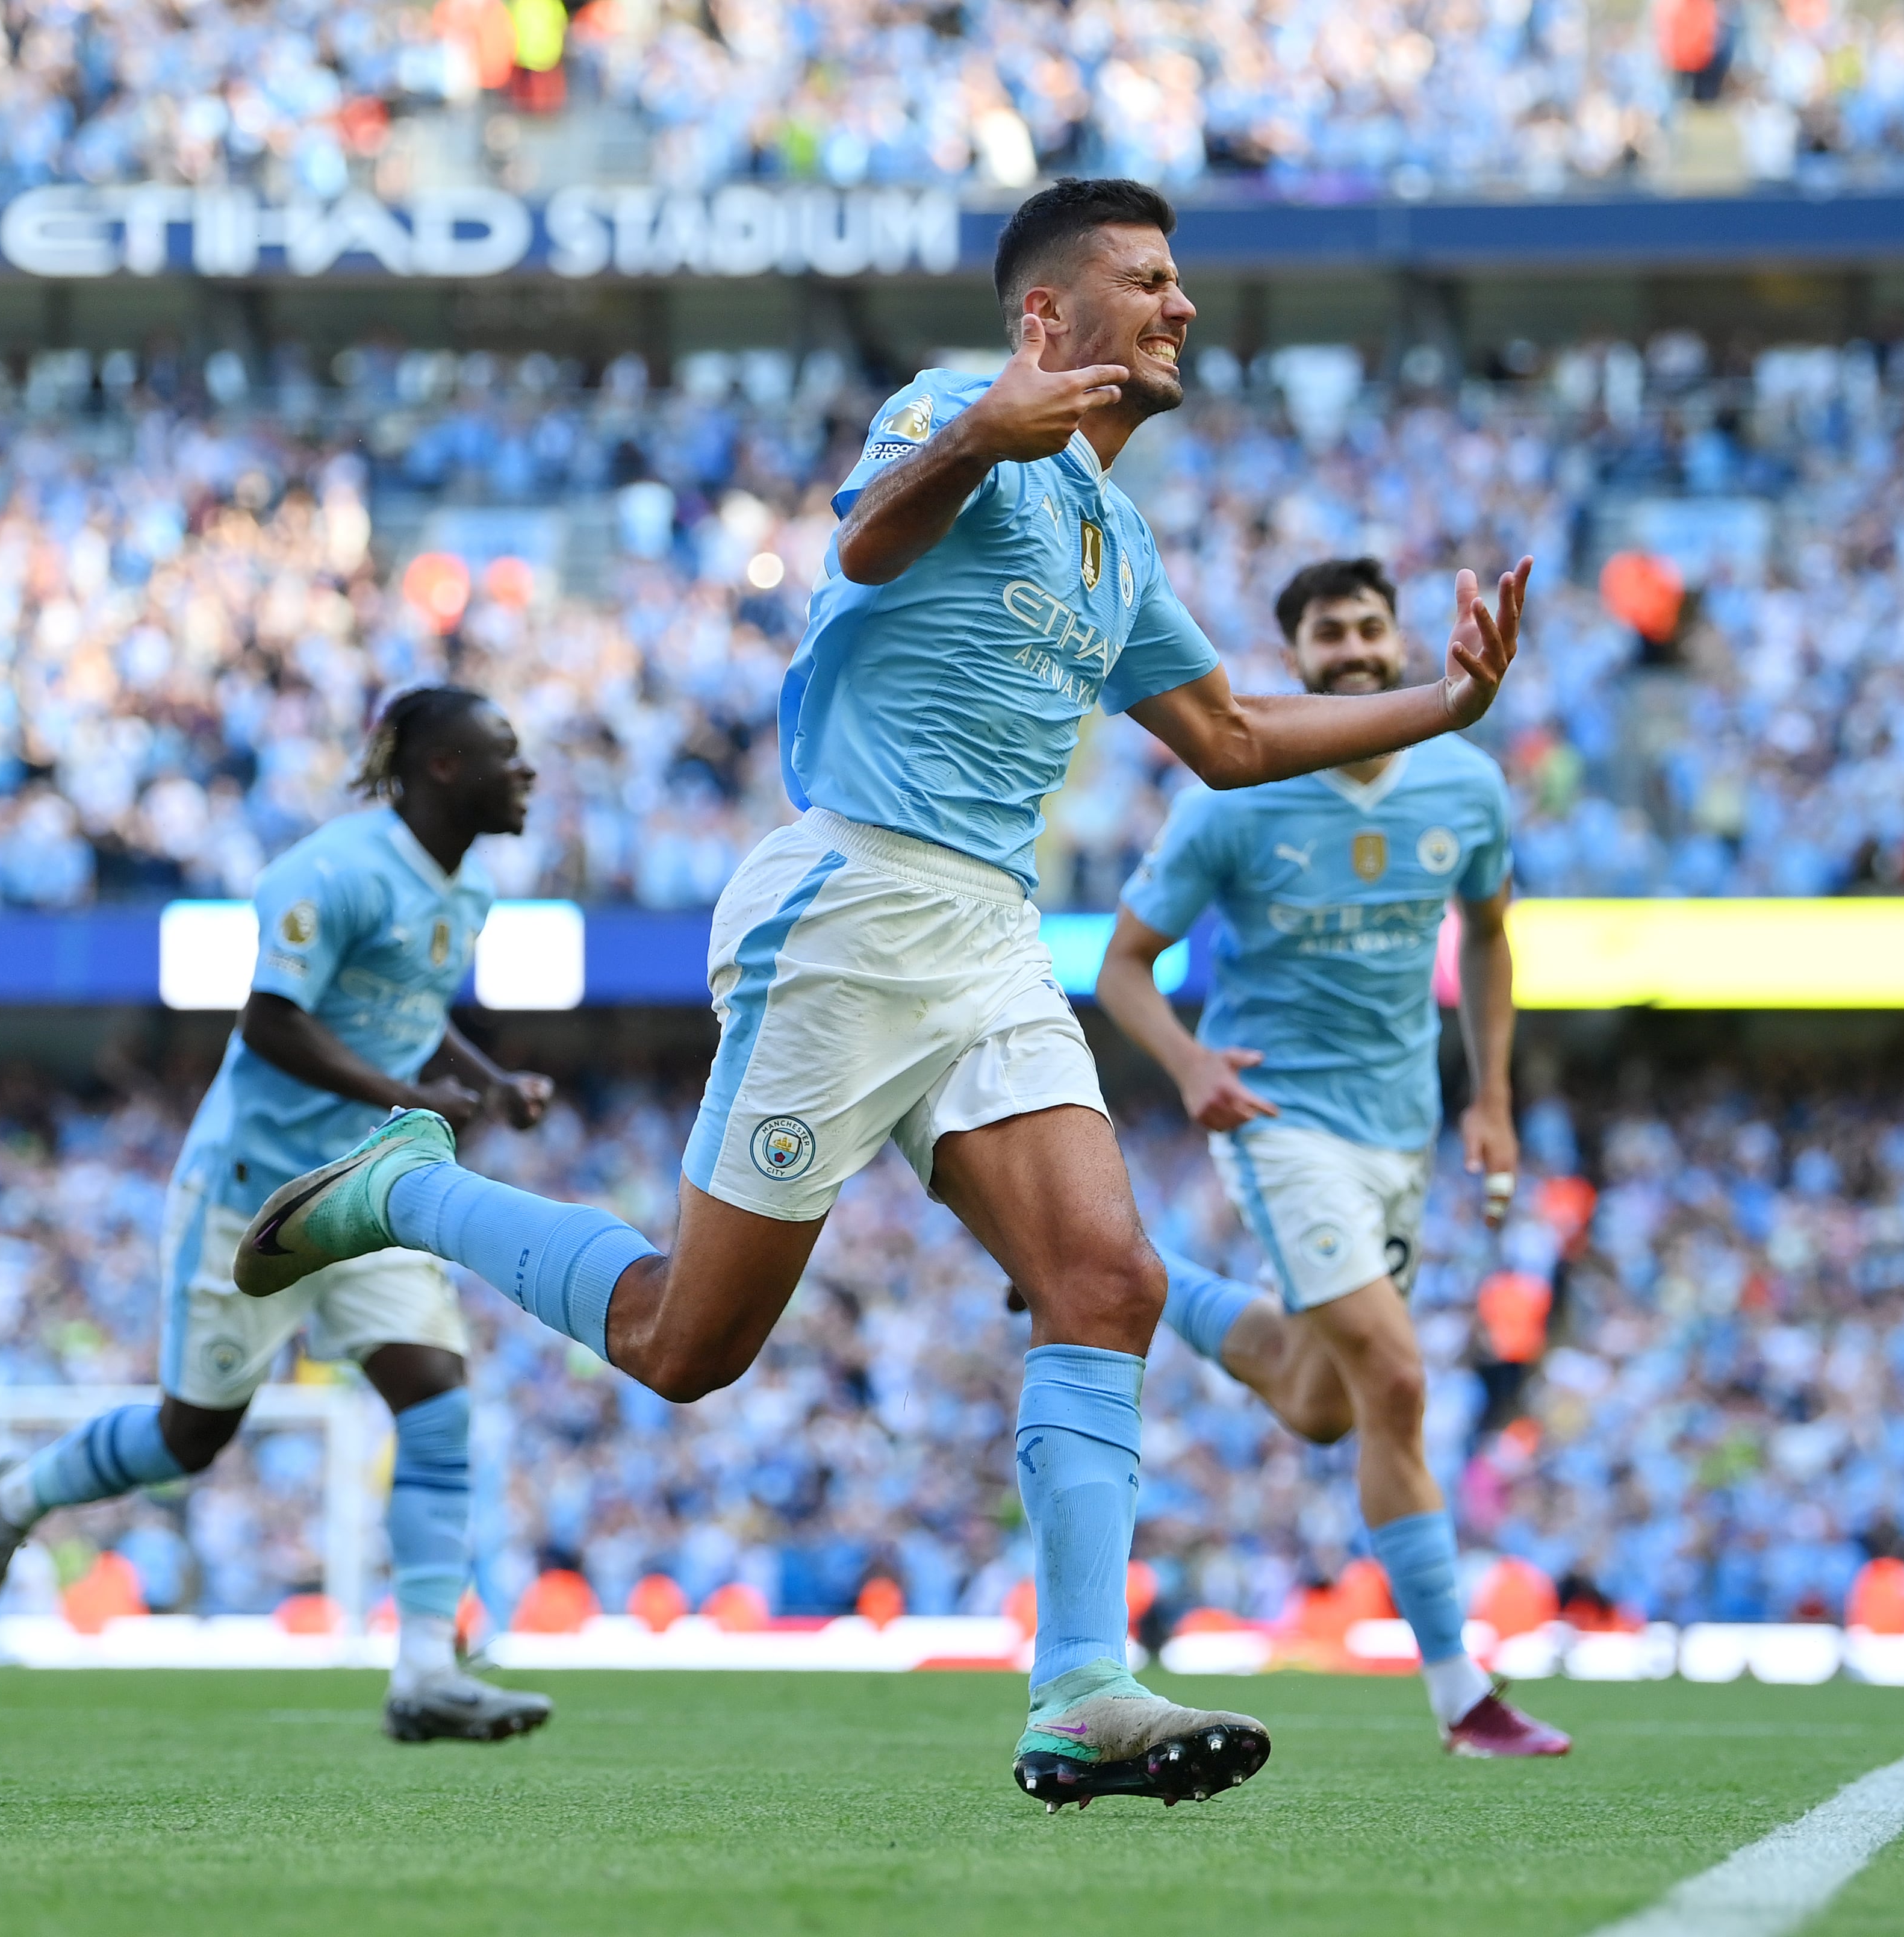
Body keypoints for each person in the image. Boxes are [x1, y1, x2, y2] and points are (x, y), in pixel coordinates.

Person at [230, 176, 1531, 1809]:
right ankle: (411, 1189)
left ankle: (1078, 1690)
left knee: (1107, 1282)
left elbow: (1233, 744)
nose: (1181, 308)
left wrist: (1445, 701)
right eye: (1147, 281)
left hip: (986, 928)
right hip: (851, 903)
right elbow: (866, 535)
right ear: (1049, 318)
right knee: (682, 1344)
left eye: (1180, 281)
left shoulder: (1112, 539)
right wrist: (984, 431)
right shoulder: (955, 414)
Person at [0, 686, 559, 1745]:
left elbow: (405, 1020)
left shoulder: (469, 895)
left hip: (368, 1189)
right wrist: (407, 1096)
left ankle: (426, 1672)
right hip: (252, 1194)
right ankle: (23, 1489)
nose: (527, 771)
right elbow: (272, 1025)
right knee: (189, 1441)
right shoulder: (332, 872)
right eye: (505, 751)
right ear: (442, 767)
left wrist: (489, 1080)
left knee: (437, 1396)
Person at [1095, 558, 1570, 1758]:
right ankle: (1463, 1693)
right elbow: (1118, 964)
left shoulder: (1463, 784)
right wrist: (1190, 1063)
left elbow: (1493, 938)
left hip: (1397, 1127)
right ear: (1292, 659)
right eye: (1327, 636)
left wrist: (1494, 1099)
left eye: (1369, 629)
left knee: (1317, 1402)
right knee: (1396, 1385)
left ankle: (1147, 1287)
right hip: (1279, 1123)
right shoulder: (1231, 798)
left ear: (1398, 641)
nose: (1353, 651)